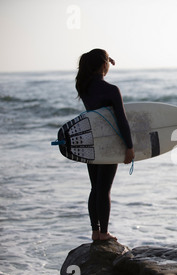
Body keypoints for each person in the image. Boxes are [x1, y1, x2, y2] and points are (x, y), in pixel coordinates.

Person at [75, 48, 134, 241]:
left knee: (95, 188)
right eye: (107, 63)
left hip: (91, 143)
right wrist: (129, 147)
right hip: (108, 144)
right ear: (103, 65)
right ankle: (104, 233)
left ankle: (95, 231)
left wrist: (105, 59)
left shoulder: (83, 88)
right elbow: (121, 120)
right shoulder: (111, 90)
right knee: (104, 189)